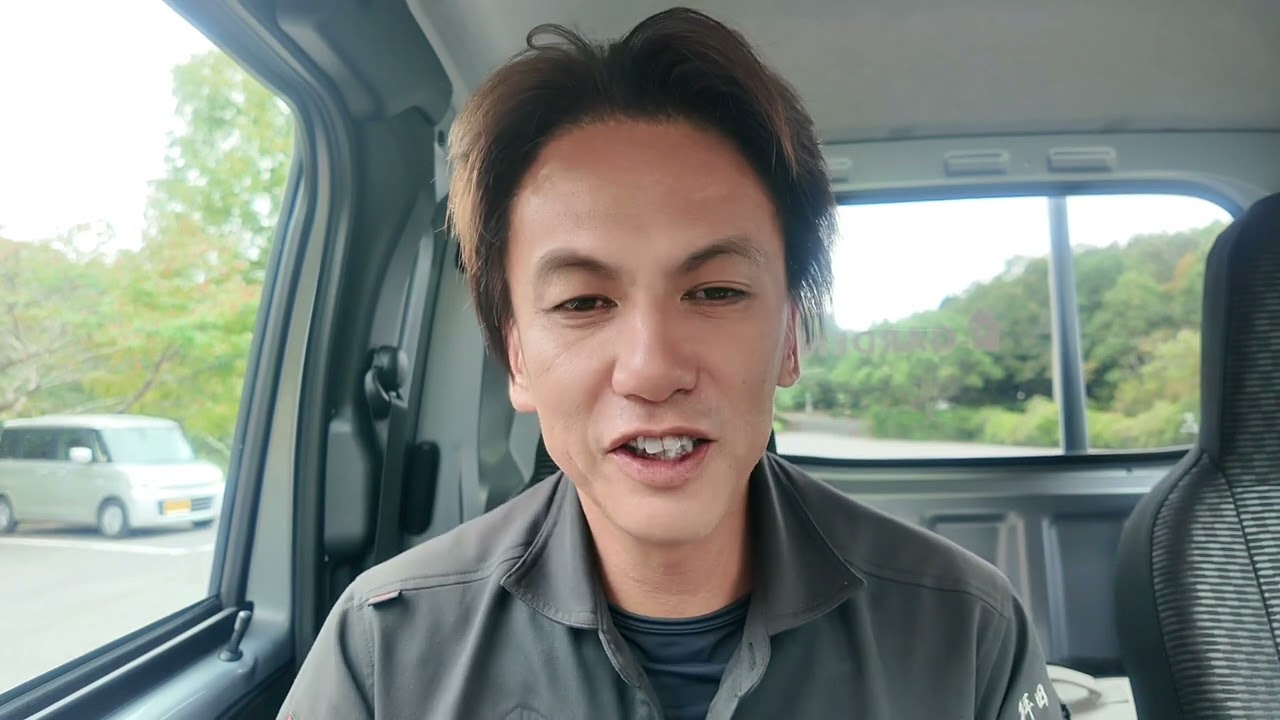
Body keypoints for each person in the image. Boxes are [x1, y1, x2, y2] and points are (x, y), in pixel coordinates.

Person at [278, 7, 1066, 719]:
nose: (652, 370)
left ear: (790, 337)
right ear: (515, 357)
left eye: (716, 291)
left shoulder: (968, 630)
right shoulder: (384, 652)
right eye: (583, 302)